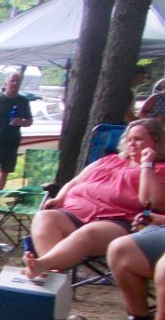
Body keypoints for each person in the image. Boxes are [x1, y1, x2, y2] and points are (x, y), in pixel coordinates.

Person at [23, 119, 165, 280]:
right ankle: (54, 276)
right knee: (44, 217)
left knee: (89, 232)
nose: (132, 144)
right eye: (129, 139)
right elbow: (76, 181)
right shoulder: (110, 159)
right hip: (75, 212)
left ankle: (42, 265)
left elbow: (152, 202)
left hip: (116, 221)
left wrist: (146, 165)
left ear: (156, 141)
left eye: (138, 139)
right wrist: (61, 197)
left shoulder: (159, 169)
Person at [0, 72, 33, 204]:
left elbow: (30, 121)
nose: (14, 84)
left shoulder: (23, 101)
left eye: (17, 81)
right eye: (12, 81)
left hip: (12, 143)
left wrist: (21, 122)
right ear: (6, 83)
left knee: (4, 172)